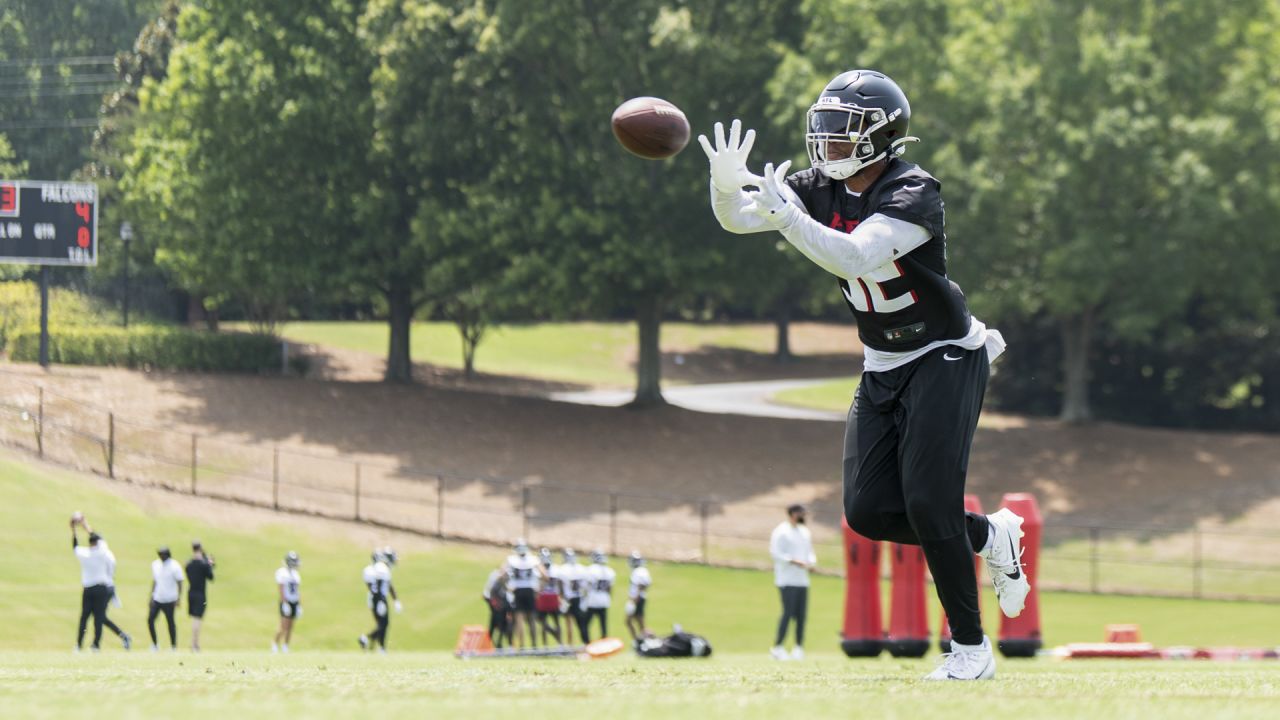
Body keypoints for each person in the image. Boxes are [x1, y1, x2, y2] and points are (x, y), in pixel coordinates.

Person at [700, 69, 1030, 680]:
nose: (826, 141)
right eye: (822, 125)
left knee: (930, 503)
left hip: (944, 352)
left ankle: (970, 651)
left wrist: (789, 221)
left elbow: (853, 255)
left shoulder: (913, 189)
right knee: (870, 512)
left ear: (883, 135)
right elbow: (737, 220)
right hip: (882, 360)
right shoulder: (818, 186)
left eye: (842, 129)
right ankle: (989, 538)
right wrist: (724, 190)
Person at [71, 515, 131, 651]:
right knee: (99, 618)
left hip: (88, 588)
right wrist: (85, 525)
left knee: (84, 617)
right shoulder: (103, 552)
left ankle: (79, 645)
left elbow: (75, 546)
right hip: (102, 588)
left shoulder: (84, 553)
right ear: (98, 543)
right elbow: (97, 537)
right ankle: (96, 645)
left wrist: (74, 529)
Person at [769, 505, 815, 661]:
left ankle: (798, 647)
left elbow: (809, 553)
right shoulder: (781, 531)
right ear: (792, 514)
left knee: (801, 616)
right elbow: (776, 553)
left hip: (802, 580)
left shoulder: (804, 532)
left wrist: (810, 563)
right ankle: (778, 647)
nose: (803, 516)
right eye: (801, 513)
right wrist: (794, 561)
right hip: (786, 580)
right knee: (788, 613)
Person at [502, 539, 544, 648]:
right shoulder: (533, 559)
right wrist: (539, 588)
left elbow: (501, 574)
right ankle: (534, 645)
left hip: (518, 590)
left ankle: (522, 646)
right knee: (532, 620)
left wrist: (507, 586)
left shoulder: (511, 559)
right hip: (530, 590)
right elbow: (545, 575)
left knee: (519, 619)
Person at [359, 547, 401, 652]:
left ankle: (373, 643)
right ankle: (373, 642)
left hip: (376, 598)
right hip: (378, 598)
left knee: (382, 624)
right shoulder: (381, 568)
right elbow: (379, 585)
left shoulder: (379, 568)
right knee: (384, 624)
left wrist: (395, 600)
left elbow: (387, 585)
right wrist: (381, 600)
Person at [147, 546, 185, 651]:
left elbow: (180, 582)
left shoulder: (175, 566)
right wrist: (151, 595)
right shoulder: (155, 564)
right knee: (150, 620)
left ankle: (173, 646)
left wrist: (178, 598)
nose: (161, 557)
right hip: (157, 597)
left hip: (170, 599)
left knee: (170, 623)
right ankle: (155, 644)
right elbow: (155, 581)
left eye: (162, 555)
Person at [185, 540, 214, 652]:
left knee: (194, 618)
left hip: (191, 593)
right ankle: (194, 645)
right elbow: (211, 577)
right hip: (200, 594)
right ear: (200, 548)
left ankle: (194, 644)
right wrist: (210, 564)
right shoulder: (204, 564)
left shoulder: (189, 564)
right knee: (197, 620)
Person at [582, 549, 615, 642]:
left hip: (592, 600)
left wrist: (584, 599)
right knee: (603, 625)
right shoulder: (609, 571)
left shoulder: (590, 569)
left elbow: (586, 587)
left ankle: (588, 644)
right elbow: (610, 589)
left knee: (585, 624)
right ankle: (604, 644)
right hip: (604, 600)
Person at [272, 551, 301, 653]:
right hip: (286, 601)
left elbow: (297, 591)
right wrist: (284, 602)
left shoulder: (296, 574)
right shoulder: (282, 572)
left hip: (294, 602)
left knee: (290, 627)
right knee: (283, 626)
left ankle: (285, 646)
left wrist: (298, 604)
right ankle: (275, 645)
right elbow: (281, 588)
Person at [556, 548, 586, 645]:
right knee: (580, 623)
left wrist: (561, 598)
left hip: (568, 599)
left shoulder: (563, 569)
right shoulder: (581, 568)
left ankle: (570, 644)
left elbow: (560, 587)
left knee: (569, 623)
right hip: (579, 598)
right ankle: (585, 642)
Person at [534, 548, 563, 646]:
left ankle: (546, 644)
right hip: (553, 596)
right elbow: (560, 584)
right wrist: (561, 597)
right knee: (556, 621)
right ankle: (559, 642)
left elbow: (539, 584)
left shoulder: (539, 569)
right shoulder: (556, 569)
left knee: (543, 621)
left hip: (543, 597)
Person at [624, 551, 652, 643]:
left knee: (629, 621)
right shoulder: (642, 571)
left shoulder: (639, 571)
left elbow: (643, 585)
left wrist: (635, 599)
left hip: (637, 600)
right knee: (639, 623)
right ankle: (643, 641)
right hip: (639, 599)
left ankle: (641, 641)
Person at [482, 565, 512, 648]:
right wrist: (496, 605)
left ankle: (499, 644)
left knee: (503, 627)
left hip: (503, 608)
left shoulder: (504, 583)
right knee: (495, 626)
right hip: (497, 609)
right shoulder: (497, 583)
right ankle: (492, 644)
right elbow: (492, 596)